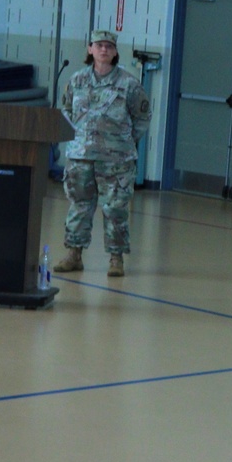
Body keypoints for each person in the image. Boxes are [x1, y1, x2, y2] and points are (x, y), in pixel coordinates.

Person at [53, 30, 151, 278]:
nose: (104, 50)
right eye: (99, 45)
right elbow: (66, 111)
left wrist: (123, 142)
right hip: (81, 157)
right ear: (90, 49)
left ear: (116, 52)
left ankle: (116, 258)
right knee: (79, 206)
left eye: (109, 46)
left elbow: (142, 118)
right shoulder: (76, 81)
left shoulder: (129, 84)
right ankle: (74, 254)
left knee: (115, 209)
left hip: (116, 161)